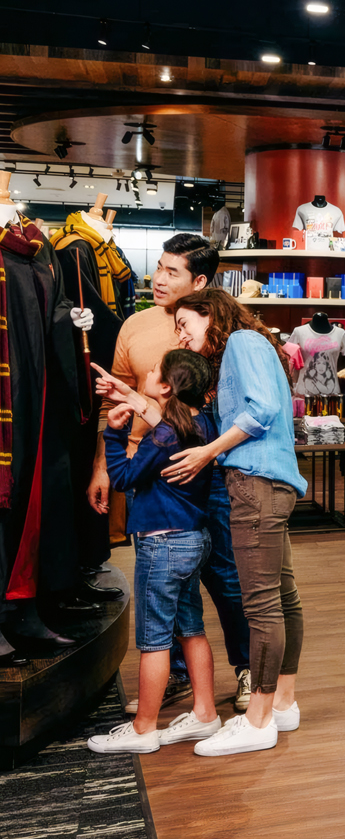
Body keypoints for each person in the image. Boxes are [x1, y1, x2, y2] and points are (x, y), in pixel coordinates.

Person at [103, 288, 306, 756]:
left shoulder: (241, 343)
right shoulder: (248, 346)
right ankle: (282, 705)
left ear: (209, 314)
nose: (182, 335)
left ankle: (257, 720)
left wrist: (209, 452)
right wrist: (138, 400)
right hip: (268, 482)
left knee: (260, 605)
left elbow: (260, 411)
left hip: (256, 482)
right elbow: (184, 424)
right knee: (282, 597)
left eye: (184, 324)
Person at [90, 233, 252, 717]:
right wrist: (103, 465)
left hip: (211, 471)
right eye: (158, 267)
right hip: (149, 472)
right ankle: (177, 678)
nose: (158, 279)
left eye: (172, 272)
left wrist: (211, 456)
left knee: (223, 574)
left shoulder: (222, 335)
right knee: (166, 582)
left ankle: (246, 670)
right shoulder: (135, 326)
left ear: (199, 281)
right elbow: (112, 402)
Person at [86, 350, 223, 754]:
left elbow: (125, 478)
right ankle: (204, 713)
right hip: (192, 540)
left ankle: (144, 729)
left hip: (161, 545)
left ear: (165, 386)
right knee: (191, 628)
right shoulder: (199, 423)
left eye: (154, 370)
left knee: (154, 639)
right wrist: (131, 399)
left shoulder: (162, 437)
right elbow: (162, 415)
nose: (145, 371)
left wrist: (113, 433)